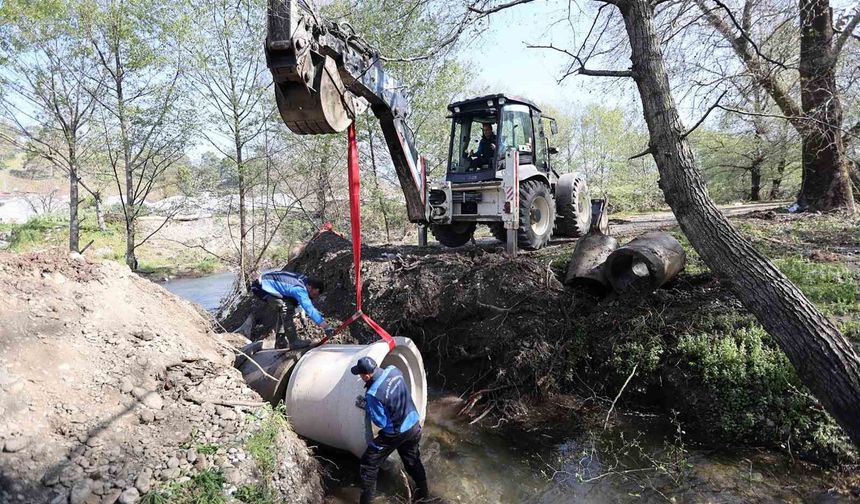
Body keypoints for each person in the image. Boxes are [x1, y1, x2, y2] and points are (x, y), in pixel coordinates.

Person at [351, 356, 429, 504]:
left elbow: (381, 422)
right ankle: (425, 495)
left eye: (360, 375)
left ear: (367, 375)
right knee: (412, 461)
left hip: (396, 432)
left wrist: (368, 406)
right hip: (413, 424)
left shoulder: (373, 394)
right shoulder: (394, 370)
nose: (360, 377)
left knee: (368, 464)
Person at [251, 270, 334, 349]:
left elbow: (302, 303)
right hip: (261, 287)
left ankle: (280, 342)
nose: (313, 297)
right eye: (314, 294)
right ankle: (293, 342)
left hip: (266, 283)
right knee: (285, 308)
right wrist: (325, 326)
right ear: (310, 288)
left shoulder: (304, 281)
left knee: (289, 306)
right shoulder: (299, 289)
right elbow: (309, 308)